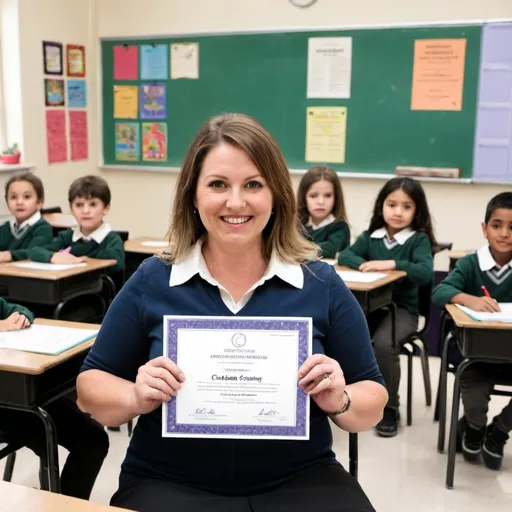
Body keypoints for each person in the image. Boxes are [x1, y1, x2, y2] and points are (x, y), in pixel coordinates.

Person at [77, 113, 387, 512]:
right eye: (218, 184)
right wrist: (134, 396)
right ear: (193, 194)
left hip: (299, 477)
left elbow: (373, 399)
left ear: (276, 195)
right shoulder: (154, 279)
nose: (236, 202)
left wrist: (340, 399)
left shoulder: (320, 283)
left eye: (254, 185)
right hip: (168, 479)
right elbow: (89, 388)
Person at [339, 177, 436, 437]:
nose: (397, 212)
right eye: (391, 204)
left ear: (417, 211)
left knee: (383, 344)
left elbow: (426, 273)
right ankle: (351, 398)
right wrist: (363, 264)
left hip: (403, 310)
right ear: (382, 206)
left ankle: (390, 407)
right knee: (343, 335)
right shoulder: (372, 236)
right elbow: (346, 255)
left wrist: (391, 264)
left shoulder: (418, 240)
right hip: (372, 309)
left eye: (406, 206)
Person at [432, 191, 512, 470]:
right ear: (484, 228)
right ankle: (475, 427)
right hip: (475, 354)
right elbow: (440, 291)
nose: (504, 234)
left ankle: (500, 431)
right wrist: (470, 299)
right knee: (475, 393)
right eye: (497, 225)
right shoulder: (470, 263)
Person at [0, 300, 109, 498]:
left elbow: (17, 309)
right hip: (7, 406)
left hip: (18, 394)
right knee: (47, 435)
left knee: (94, 440)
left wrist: (20, 317)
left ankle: (64, 504)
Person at [28, 175, 124, 274]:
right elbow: (34, 251)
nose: (85, 211)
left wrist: (81, 260)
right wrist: (53, 256)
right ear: (71, 209)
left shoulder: (112, 239)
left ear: (106, 208)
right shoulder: (66, 236)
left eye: (93, 204)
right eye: (79, 205)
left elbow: (116, 264)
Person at [297, 166, 350, 258]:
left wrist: (298, 248)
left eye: (328, 195)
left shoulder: (340, 227)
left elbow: (330, 250)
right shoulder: (297, 225)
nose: (321, 202)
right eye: (313, 196)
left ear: (336, 198)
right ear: (304, 198)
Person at [0, 173, 52, 262]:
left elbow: (34, 252)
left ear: (39, 202)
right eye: (13, 197)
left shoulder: (43, 228)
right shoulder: (5, 227)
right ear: (7, 202)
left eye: (27, 197)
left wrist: (9, 255)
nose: (19, 202)